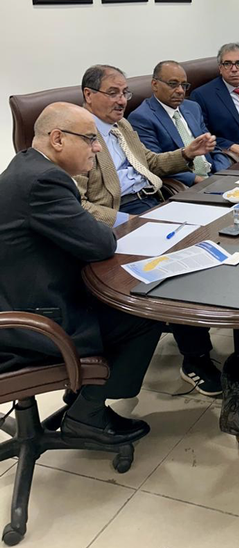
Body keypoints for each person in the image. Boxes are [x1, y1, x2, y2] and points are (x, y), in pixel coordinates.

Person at [0, 103, 161, 445]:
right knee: (143, 315)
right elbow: (100, 243)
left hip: (18, 296)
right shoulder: (44, 181)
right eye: (90, 139)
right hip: (30, 321)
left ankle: (82, 397)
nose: (98, 147)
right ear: (57, 138)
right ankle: (87, 413)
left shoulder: (27, 167)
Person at [75, 64, 224, 396]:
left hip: (152, 202)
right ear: (89, 95)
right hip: (119, 216)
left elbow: (150, 164)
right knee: (179, 269)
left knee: (208, 239)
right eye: (113, 93)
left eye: (125, 92)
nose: (122, 100)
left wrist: (186, 154)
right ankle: (195, 358)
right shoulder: (78, 134)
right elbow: (77, 202)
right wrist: (125, 221)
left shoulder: (122, 125)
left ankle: (198, 321)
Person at [129, 60, 233, 186]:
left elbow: (213, 149)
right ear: (155, 85)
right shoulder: (141, 118)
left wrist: (223, 173)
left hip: (214, 177)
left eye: (184, 85)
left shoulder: (193, 108)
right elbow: (155, 165)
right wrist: (198, 181)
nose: (180, 91)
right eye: (173, 84)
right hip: (189, 185)